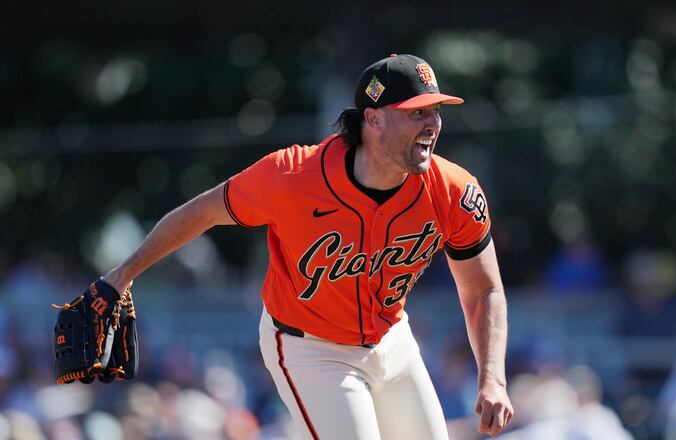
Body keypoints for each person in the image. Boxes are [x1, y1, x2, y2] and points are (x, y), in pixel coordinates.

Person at [99, 53, 513, 439]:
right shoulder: (293, 176)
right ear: (374, 120)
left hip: (392, 339)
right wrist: (122, 275)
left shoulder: (452, 190)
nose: (433, 124)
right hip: (311, 349)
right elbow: (203, 211)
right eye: (416, 112)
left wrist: (492, 376)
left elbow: (484, 290)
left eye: (435, 111)